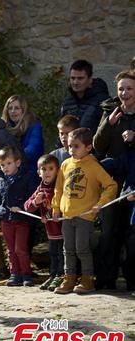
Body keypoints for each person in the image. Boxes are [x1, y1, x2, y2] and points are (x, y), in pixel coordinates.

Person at [52, 128, 117, 294]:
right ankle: (69, 278)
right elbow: (58, 188)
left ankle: (87, 279)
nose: (71, 150)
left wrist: (101, 203)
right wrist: (56, 207)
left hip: (85, 216)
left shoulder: (94, 166)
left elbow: (111, 186)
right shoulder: (65, 164)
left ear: (88, 148)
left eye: (76, 146)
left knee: (82, 248)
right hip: (67, 215)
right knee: (68, 249)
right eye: (69, 146)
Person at [93, 69, 135, 290]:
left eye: (129, 88)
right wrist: (108, 124)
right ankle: (106, 279)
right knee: (109, 231)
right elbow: (98, 145)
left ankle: (132, 279)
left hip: (134, 181)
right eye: (121, 89)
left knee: (132, 233)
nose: (124, 93)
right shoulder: (111, 110)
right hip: (112, 180)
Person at [0, 146, 39, 287]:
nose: (5, 167)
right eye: (2, 165)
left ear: (17, 163)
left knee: (20, 249)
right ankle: (14, 274)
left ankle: (26, 274)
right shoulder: (1, 179)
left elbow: (33, 197)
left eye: (8, 163)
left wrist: (22, 208)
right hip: (6, 219)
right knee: (11, 249)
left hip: (22, 219)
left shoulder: (27, 177)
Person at [24, 155, 64, 291]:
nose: (47, 172)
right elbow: (27, 206)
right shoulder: (39, 189)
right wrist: (36, 202)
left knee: (62, 253)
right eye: (44, 169)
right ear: (38, 172)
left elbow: (64, 206)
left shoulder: (60, 187)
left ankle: (62, 275)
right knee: (53, 253)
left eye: (51, 169)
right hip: (51, 231)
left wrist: (50, 214)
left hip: (63, 229)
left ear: (57, 170)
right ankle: (53, 275)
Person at [60, 59, 110, 135]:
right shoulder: (67, 102)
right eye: (72, 78)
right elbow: (62, 130)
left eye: (80, 78)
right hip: (70, 146)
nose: (75, 82)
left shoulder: (102, 101)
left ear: (90, 79)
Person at [2, 95, 44, 173]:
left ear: (24, 110)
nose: (13, 111)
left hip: (31, 172)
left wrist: (9, 158)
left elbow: (32, 151)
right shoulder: (4, 128)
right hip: (10, 174)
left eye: (17, 108)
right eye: (10, 108)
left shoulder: (34, 126)